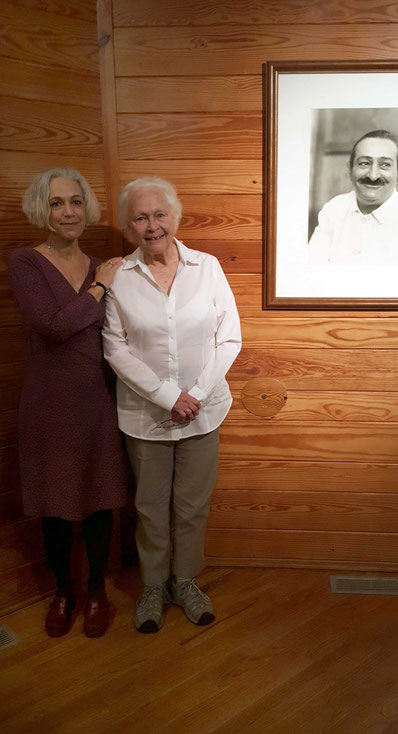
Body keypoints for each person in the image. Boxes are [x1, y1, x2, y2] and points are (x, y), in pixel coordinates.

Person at [102, 176, 241, 633]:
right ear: (128, 226)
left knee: (192, 504)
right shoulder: (118, 276)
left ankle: (184, 582)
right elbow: (115, 348)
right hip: (146, 417)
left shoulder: (208, 267)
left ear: (176, 217)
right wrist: (167, 396)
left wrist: (195, 395)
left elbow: (229, 337)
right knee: (149, 506)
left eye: (159, 214)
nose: (152, 225)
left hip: (204, 410)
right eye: (140, 217)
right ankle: (152, 586)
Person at [8, 167, 127, 638]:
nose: (68, 212)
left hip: (98, 398)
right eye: (57, 203)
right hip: (49, 403)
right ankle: (64, 590)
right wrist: (100, 286)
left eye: (76, 202)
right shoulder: (26, 262)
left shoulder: (101, 263)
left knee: (100, 499)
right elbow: (52, 325)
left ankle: (96, 589)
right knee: (57, 504)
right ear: (43, 210)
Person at [308, 129, 398, 266]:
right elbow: (312, 269)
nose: (373, 175)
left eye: (385, 165)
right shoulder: (334, 208)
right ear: (350, 169)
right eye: (364, 163)